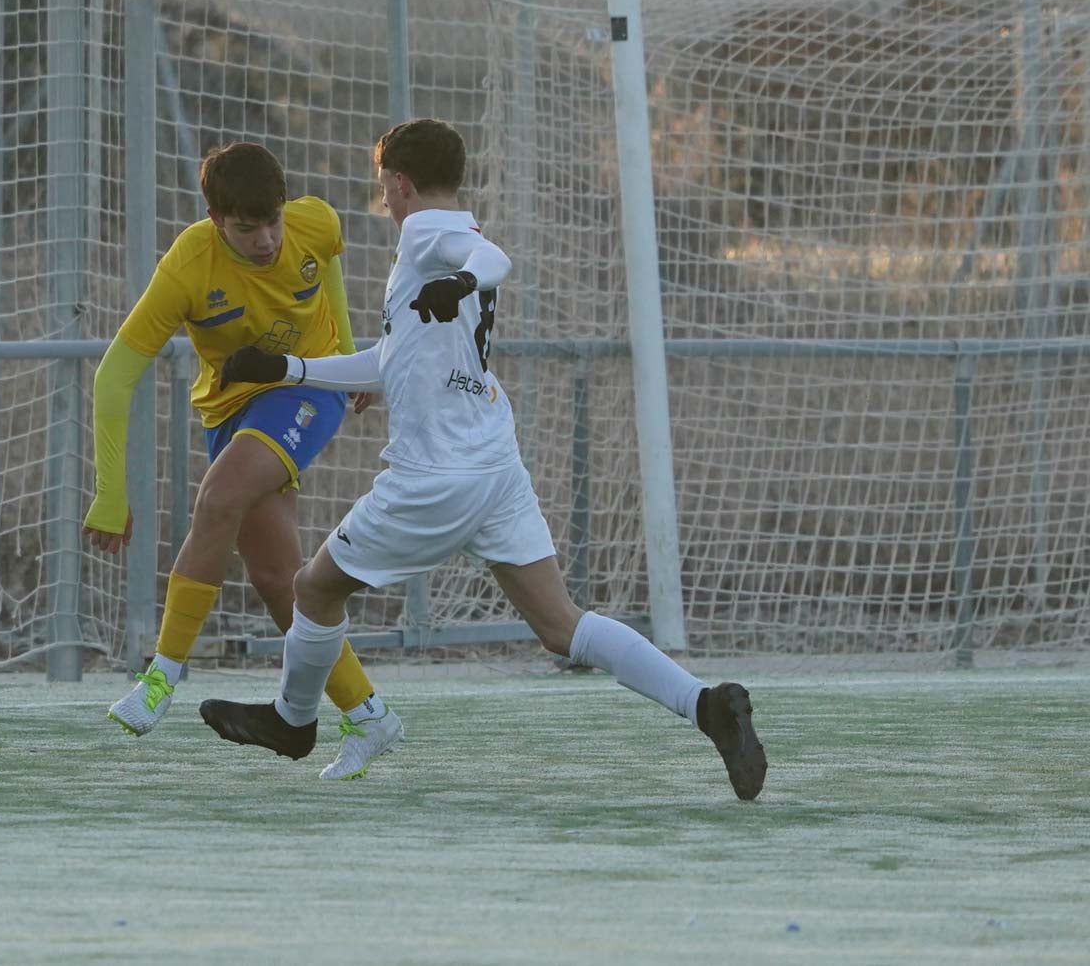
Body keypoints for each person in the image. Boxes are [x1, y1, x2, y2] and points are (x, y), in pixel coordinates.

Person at [198, 119, 768, 800]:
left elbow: (491, 257)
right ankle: (705, 704)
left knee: (313, 589)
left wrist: (464, 277)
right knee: (563, 626)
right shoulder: (440, 240)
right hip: (495, 465)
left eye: (385, 187)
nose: (384, 200)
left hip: (433, 475)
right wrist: (289, 368)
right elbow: (388, 360)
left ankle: (294, 721)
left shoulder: (426, 233)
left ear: (401, 182)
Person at [84, 141, 405, 781]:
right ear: (214, 218)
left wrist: (343, 358)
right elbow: (114, 376)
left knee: (218, 496)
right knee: (279, 579)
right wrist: (110, 492)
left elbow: (329, 261)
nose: (266, 239)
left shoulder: (314, 221)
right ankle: (369, 714)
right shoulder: (187, 267)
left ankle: (161, 677)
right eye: (246, 227)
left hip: (306, 389)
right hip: (231, 410)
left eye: (273, 222)